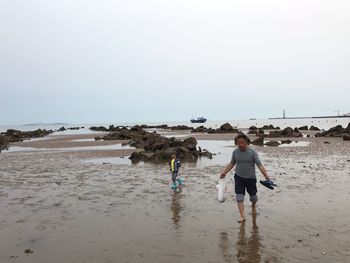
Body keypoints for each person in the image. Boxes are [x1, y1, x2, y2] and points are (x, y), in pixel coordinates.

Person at [220, 134, 270, 223]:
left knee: (253, 197)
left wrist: (266, 176)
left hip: (251, 178)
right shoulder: (235, 152)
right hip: (239, 177)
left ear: (246, 142)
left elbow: (260, 165)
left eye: (242, 142)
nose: (240, 144)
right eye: (238, 143)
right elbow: (232, 163)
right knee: (239, 197)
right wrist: (224, 172)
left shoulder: (252, 152)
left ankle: (253, 206)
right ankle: (242, 216)